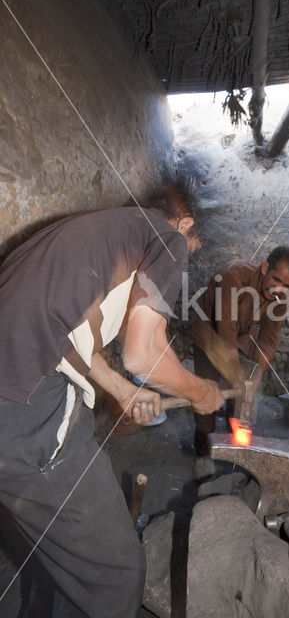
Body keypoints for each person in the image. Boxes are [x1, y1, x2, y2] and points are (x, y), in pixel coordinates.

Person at [0, 190, 223, 617]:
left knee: (67, 565)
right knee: (114, 575)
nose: (185, 257)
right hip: (26, 409)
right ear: (187, 226)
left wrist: (121, 389)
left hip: (15, 395)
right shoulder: (166, 239)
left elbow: (67, 334)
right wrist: (200, 392)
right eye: (192, 248)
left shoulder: (90, 232)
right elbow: (144, 353)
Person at [191, 246, 289, 479]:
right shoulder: (234, 276)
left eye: (287, 285)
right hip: (209, 332)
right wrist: (238, 375)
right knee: (206, 394)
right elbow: (225, 332)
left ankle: (236, 451)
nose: (279, 289)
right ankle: (203, 453)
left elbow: (268, 342)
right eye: (276, 279)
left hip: (242, 336)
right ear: (265, 268)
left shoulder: (281, 298)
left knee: (245, 393)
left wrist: (254, 378)